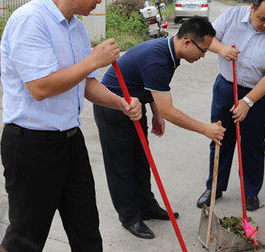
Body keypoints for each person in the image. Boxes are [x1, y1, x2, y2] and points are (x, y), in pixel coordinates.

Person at [0, 0, 142, 252]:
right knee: (25, 239)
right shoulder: (30, 20)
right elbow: (41, 87)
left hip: (70, 144)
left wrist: (120, 104)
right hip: (31, 147)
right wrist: (94, 60)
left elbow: (85, 84)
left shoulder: (76, 27)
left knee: (87, 232)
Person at [93, 16, 226, 240]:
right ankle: (129, 216)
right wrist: (205, 129)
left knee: (140, 161)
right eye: (203, 50)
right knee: (121, 167)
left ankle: (146, 206)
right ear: (186, 42)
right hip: (113, 109)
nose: (203, 56)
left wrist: (155, 112)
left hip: (135, 105)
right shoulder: (158, 59)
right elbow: (170, 110)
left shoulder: (169, 53)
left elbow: (153, 89)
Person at [196, 0, 265, 212]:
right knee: (220, 138)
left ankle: (250, 191)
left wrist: (247, 102)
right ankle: (215, 187)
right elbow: (207, 37)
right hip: (226, 87)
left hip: (259, 94)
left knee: (253, 144)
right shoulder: (232, 16)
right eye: (262, 18)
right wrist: (222, 49)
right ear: (252, 9)